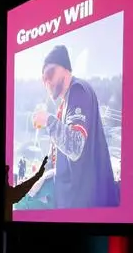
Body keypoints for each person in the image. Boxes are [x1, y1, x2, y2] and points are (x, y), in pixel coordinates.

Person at [31, 44, 118, 208]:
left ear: (65, 70)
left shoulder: (78, 90)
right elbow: (58, 155)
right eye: (43, 79)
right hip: (72, 202)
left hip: (86, 204)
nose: (47, 81)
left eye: (49, 73)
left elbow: (75, 146)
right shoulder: (63, 106)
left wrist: (48, 121)